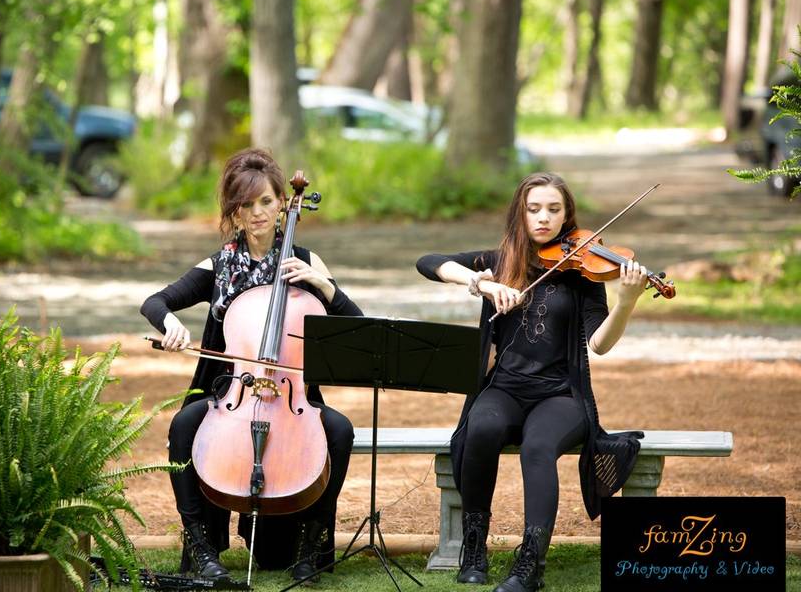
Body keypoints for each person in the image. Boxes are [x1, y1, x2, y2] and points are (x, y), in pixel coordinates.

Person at [416, 172, 647, 591]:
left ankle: (530, 563)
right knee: (481, 428)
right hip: (503, 388)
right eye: (534, 208)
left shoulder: (582, 273)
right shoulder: (499, 261)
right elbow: (429, 262)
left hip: (561, 395)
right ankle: (474, 546)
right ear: (519, 213)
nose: (543, 217)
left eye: (553, 209)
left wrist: (626, 303)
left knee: (538, 447)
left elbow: (600, 344)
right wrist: (481, 281)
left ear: (567, 215)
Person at [141, 148, 361, 583]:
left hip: (292, 397)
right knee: (184, 424)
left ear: (283, 203)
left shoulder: (306, 260)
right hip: (232, 394)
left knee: (340, 429)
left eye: (266, 201)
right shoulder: (220, 264)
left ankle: (310, 545)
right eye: (246, 204)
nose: (257, 212)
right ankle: (201, 546)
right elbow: (156, 301)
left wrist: (322, 284)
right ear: (234, 212)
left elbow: (355, 325)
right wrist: (170, 324)